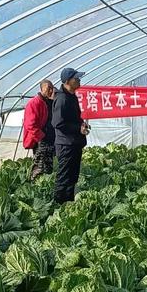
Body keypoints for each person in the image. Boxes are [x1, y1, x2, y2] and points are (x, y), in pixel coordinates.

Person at [52, 67, 90, 204]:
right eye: (76, 78)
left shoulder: (71, 96)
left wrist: (81, 125)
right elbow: (58, 123)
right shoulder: (62, 99)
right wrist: (77, 128)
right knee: (64, 178)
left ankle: (68, 204)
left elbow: (72, 119)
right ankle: (58, 206)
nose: (79, 80)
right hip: (66, 145)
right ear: (67, 81)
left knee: (72, 177)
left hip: (73, 143)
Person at [23, 79, 55, 181]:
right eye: (48, 88)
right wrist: (41, 137)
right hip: (41, 141)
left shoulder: (48, 102)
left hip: (49, 140)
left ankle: (45, 188)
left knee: (48, 166)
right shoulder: (34, 103)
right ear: (42, 89)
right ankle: (34, 187)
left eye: (52, 88)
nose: (50, 91)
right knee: (39, 166)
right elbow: (30, 125)